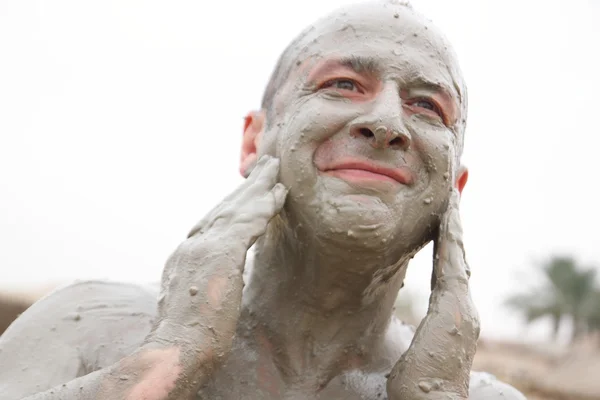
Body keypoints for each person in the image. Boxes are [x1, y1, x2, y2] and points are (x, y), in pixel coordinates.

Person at [0, 1, 527, 399]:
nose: (387, 123)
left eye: (427, 107)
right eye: (342, 84)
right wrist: (165, 364)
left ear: (453, 187)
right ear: (254, 141)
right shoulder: (84, 327)